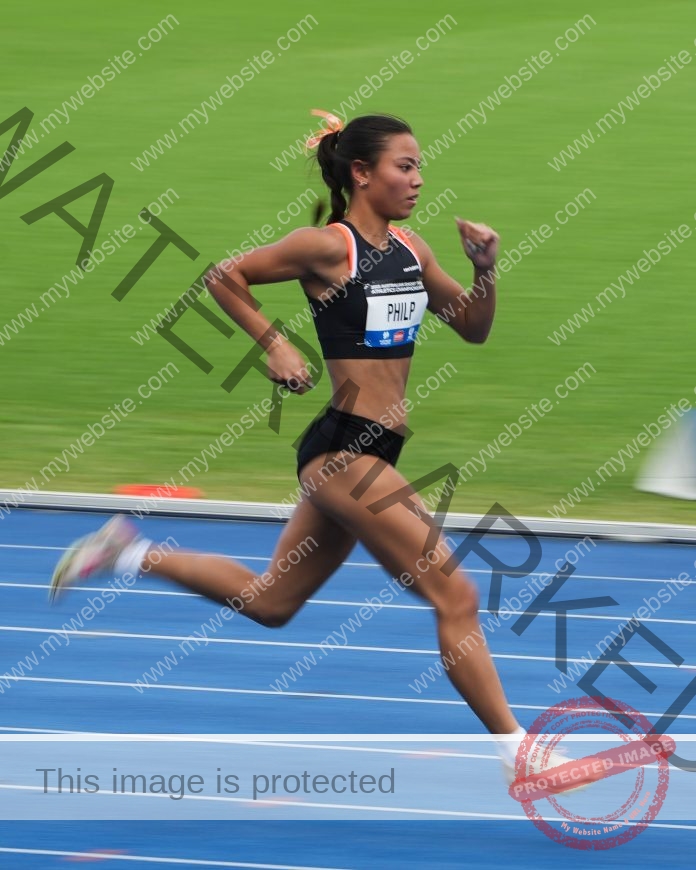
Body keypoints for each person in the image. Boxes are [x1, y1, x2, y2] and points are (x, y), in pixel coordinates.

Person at [48, 112, 571, 787]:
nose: (417, 179)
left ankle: (129, 550)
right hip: (344, 457)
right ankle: (520, 756)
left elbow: (471, 325)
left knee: (272, 603)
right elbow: (224, 277)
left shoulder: (413, 251)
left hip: (372, 451)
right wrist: (274, 342)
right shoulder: (328, 247)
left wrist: (486, 269)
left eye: (419, 167)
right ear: (362, 173)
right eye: (403, 166)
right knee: (457, 596)